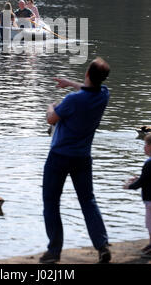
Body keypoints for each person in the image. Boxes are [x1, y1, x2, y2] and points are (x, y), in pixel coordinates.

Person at [40, 57, 111, 264]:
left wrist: (50, 106)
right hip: (83, 158)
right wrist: (69, 83)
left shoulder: (73, 100)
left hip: (59, 157)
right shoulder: (104, 95)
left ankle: (54, 251)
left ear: (87, 74)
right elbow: (91, 88)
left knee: (51, 203)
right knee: (88, 201)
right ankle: (102, 245)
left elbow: (51, 119)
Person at [124, 132, 151, 259]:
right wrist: (138, 178)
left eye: (146, 144)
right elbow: (150, 178)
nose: (144, 147)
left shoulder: (150, 164)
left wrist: (130, 186)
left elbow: (142, 182)